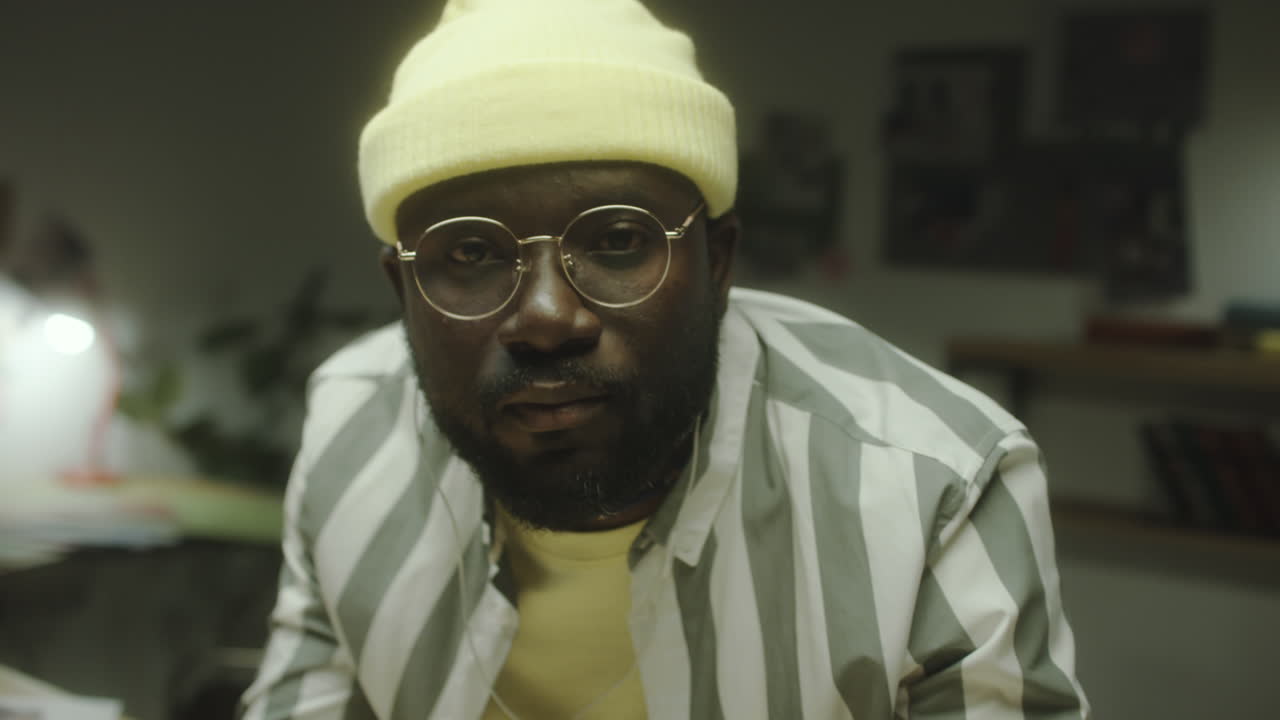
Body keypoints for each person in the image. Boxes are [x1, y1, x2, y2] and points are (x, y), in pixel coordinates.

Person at [241, 0, 1090, 718]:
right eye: (469, 254)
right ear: (402, 289)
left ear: (717, 264)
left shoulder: (932, 487)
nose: (547, 319)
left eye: (617, 239)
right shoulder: (351, 432)